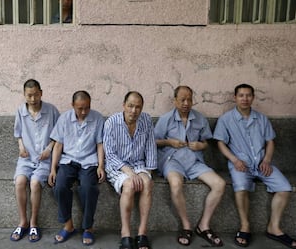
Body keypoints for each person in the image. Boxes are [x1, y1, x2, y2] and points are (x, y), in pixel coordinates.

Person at [214, 83, 296, 248]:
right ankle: (245, 226)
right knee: (241, 187)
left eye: (248, 95)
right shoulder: (226, 119)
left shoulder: (261, 118)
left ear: (253, 97)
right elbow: (220, 143)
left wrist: (266, 159)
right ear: (235, 97)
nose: (245, 98)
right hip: (240, 164)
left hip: (261, 163)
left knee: (285, 188)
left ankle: (274, 227)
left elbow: (270, 141)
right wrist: (234, 160)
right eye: (241, 95)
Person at [154, 86, 225, 247]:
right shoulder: (166, 119)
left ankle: (203, 226)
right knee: (176, 184)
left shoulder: (199, 118)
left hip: (194, 160)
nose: (186, 103)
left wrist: (201, 146)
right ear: (175, 101)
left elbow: (206, 142)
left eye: (189, 99)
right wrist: (168, 142)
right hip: (172, 159)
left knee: (219, 184)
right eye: (182, 100)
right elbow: (154, 141)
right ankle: (186, 226)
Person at [48, 90, 105, 246]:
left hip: (89, 162)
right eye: (80, 108)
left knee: (89, 188)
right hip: (68, 160)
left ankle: (88, 227)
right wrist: (53, 169)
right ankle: (68, 225)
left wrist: (101, 166)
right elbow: (58, 145)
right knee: (59, 186)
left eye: (87, 107)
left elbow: (100, 144)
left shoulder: (98, 118)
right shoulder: (64, 119)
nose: (83, 111)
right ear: (72, 105)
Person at [104, 91, 157, 249]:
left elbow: (151, 146)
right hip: (118, 165)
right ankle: (125, 233)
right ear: (124, 105)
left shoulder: (146, 120)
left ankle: (142, 232)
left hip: (139, 163)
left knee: (147, 183)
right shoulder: (112, 122)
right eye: (130, 106)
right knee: (129, 185)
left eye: (138, 107)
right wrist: (130, 173)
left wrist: (149, 171)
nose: (134, 111)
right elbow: (110, 154)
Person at [10, 79, 60, 242]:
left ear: (41, 93)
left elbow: (58, 135)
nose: (33, 99)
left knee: (35, 183)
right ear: (24, 95)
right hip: (26, 158)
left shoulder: (51, 110)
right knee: (20, 182)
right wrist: (21, 147)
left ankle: (33, 222)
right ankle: (23, 221)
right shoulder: (20, 111)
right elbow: (18, 134)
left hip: (44, 159)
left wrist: (49, 148)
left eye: (36, 95)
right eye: (29, 95)